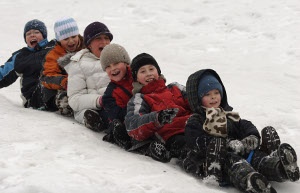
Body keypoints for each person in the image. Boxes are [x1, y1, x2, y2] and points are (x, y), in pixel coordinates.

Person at [183, 69, 299, 193]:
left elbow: (245, 125)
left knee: (258, 158)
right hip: (220, 160)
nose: (213, 97)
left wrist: (251, 136)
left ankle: (280, 169)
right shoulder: (196, 120)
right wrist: (224, 144)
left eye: (216, 92)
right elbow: (195, 140)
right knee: (237, 165)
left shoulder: (228, 115)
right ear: (197, 98)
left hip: (242, 151)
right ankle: (252, 182)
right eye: (207, 94)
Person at [124, 53, 192, 162]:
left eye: (151, 69)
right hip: (172, 135)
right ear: (136, 78)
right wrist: (157, 118)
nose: (148, 74)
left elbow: (196, 100)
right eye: (143, 71)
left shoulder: (175, 87)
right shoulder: (140, 98)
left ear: (158, 71)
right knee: (190, 148)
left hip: (194, 125)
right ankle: (205, 167)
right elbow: (133, 124)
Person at [64, 21, 112, 128]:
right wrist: (99, 100)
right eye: (98, 38)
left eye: (107, 38)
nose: (104, 42)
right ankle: (91, 118)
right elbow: (75, 99)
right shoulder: (78, 64)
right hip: (95, 107)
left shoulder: (117, 58)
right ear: (89, 44)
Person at [0, 19, 55, 109]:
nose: (32, 35)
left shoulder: (54, 47)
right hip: (34, 97)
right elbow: (3, 73)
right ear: (25, 39)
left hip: (58, 87)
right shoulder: (21, 57)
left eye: (36, 32)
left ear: (44, 36)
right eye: (28, 34)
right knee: (47, 83)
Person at [40, 17, 84, 116]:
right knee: (48, 91)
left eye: (73, 36)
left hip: (85, 82)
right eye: (66, 38)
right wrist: (64, 82)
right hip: (64, 86)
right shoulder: (54, 54)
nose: (71, 41)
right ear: (59, 40)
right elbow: (47, 76)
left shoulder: (87, 46)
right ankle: (64, 102)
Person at [99, 43, 133, 150]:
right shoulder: (110, 94)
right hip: (130, 120)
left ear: (126, 63)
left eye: (116, 63)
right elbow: (116, 114)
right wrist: (136, 107)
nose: (113, 68)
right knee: (116, 123)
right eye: (108, 66)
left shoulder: (139, 77)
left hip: (150, 114)